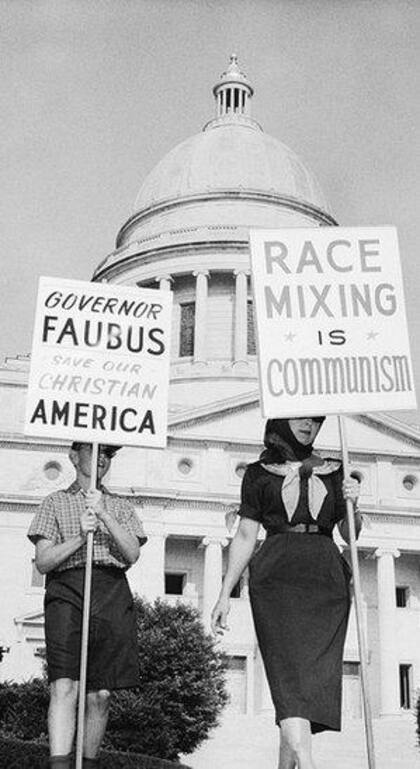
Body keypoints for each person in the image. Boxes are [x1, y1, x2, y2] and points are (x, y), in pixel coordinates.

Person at [211, 417, 362, 769]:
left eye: (315, 418)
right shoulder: (258, 473)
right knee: (289, 681)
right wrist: (224, 593)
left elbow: (351, 535)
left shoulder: (336, 470)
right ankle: (307, 763)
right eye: (300, 417)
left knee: (306, 684)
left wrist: (353, 504)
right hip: (276, 578)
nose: (308, 423)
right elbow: (246, 535)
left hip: (326, 578)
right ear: (281, 419)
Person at [27, 442, 148, 769]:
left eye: (108, 454)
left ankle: (89, 763)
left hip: (110, 590)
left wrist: (104, 514)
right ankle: (60, 764)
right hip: (67, 588)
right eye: (94, 452)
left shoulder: (120, 505)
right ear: (73, 456)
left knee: (101, 694)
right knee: (65, 685)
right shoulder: (55, 502)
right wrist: (80, 537)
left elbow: (132, 554)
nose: (102, 459)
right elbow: (43, 561)